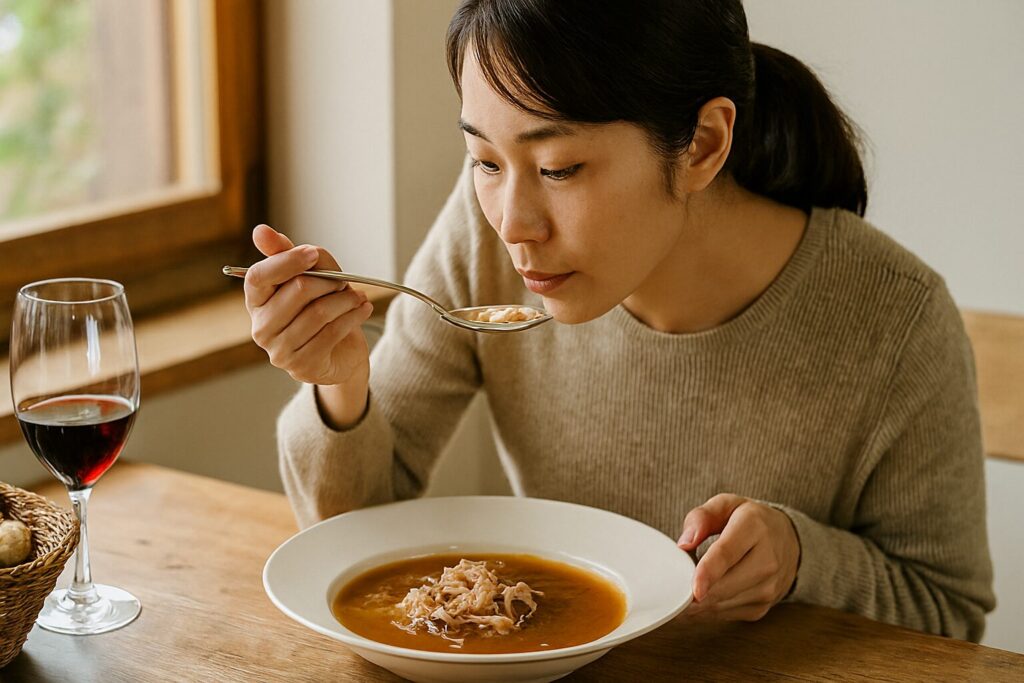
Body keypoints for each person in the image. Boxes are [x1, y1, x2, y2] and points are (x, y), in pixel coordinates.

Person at [241, 0, 995, 641]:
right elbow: (354, 536)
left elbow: (951, 616)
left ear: (702, 144)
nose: (514, 223)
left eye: (560, 168)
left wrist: (802, 559)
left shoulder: (895, 318)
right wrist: (341, 384)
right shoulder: (486, 240)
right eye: (485, 160)